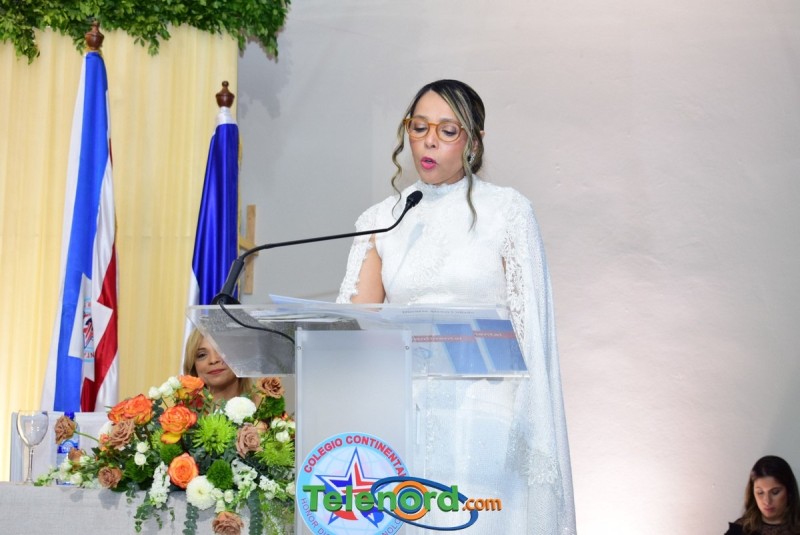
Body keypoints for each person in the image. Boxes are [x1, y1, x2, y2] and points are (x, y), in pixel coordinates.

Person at [337, 79, 576, 534]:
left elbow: (532, 330)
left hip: (485, 420)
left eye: (447, 131)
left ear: (474, 141)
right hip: (403, 419)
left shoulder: (507, 211)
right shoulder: (382, 219)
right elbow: (355, 328)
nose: (429, 141)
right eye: (419, 127)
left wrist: (530, 427)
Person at [725, 455, 800, 535]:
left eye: (775, 492)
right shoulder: (740, 529)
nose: (767, 501)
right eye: (760, 492)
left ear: (789, 491)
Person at [183, 329, 254, 401]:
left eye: (222, 350)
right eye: (202, 355)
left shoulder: (260, 404)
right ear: (193, 366)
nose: (213, 360)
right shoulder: (181, 407)